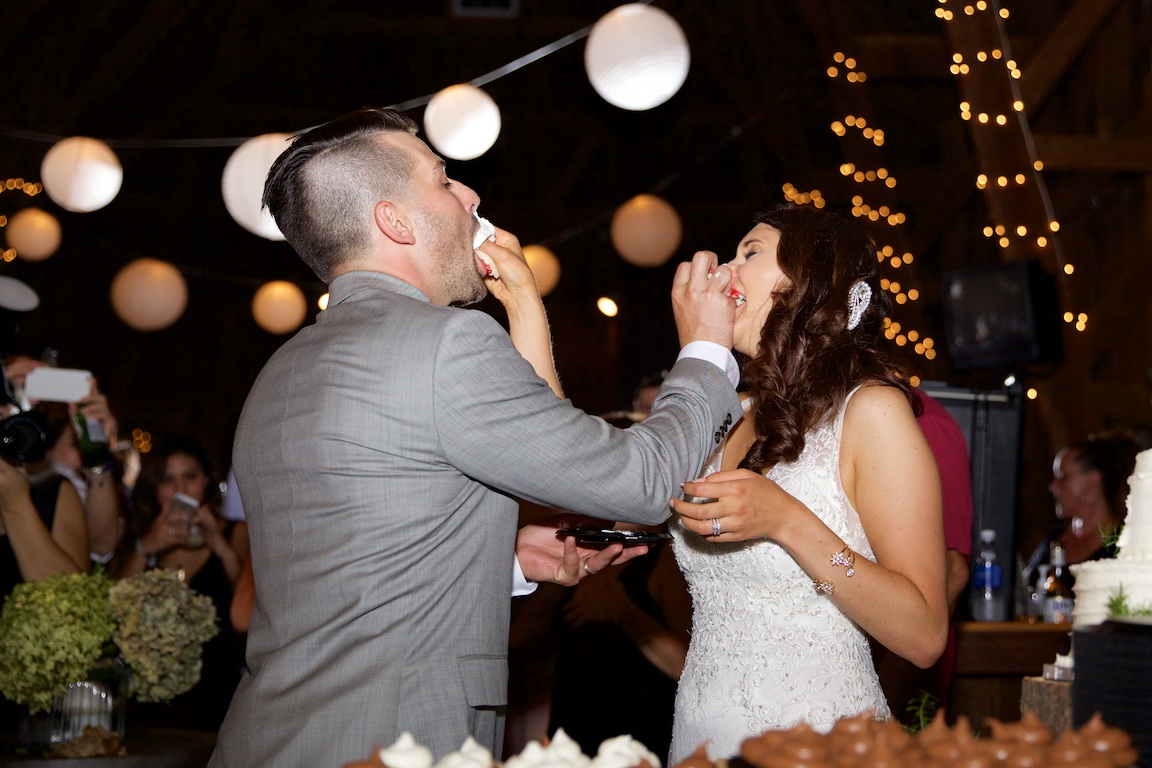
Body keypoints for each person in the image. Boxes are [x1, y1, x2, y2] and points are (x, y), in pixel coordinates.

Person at [209, 107, 741, 768]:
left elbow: (345, 575)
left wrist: (507, 563)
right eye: (442, 180)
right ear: (394, 221)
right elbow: (643, 482)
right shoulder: (447, 344)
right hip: (394, 740)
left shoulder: (278, 372)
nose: (470, 196)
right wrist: (707, 352)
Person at [671, 203, 949, 760]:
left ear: (809, 283)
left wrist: (789, 522)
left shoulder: (871, 412)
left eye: (750, 253)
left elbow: (924, 634)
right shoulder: (725, 412)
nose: (725, 270)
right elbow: (600, 490)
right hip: (700, 738)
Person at [111, 434, 247, 731]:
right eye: (167, 480)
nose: (180, 490)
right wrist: (145, 546)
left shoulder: (235, 532)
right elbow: (112, 606)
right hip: (149, 702)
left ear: (207, 481)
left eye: (190, 477)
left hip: (217, 699)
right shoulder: (141, 536)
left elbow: (249, 609)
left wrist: (221, 550)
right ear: (153, 488)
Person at [1020, 429, 1141, 592]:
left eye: (1063, 476)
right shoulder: (1054, 539)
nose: (1053, 486)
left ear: (1092, 484)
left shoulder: (1125, 547)